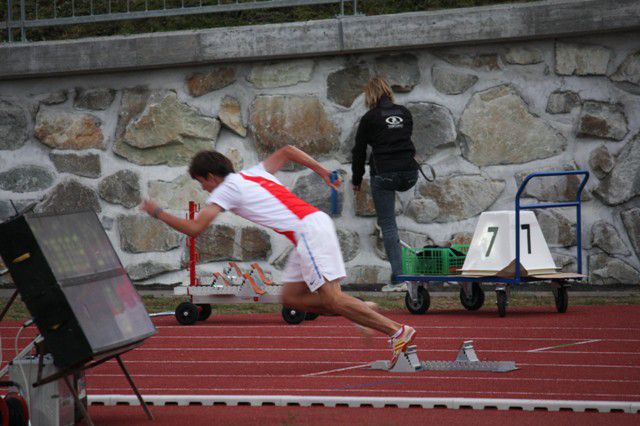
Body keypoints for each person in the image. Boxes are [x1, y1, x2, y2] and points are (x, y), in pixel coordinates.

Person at [141, 146, 417, 367]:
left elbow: (195, 228)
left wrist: (157, 212)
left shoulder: (226, 188)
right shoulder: (253, 173)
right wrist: (322, 171)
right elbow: (287, 151)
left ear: (211, 177)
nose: (204, 190)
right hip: (306, 232)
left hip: (307, 230)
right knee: (292, 298)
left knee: (331, 298)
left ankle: (396, 330)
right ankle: (357, 308)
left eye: (202, 184)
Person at [352, 77, 419, 292]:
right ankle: (404, 274)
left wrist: (356, 180)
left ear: (369, 95)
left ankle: (399, 278)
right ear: (388, 92)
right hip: (410, 174)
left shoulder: (370, 118)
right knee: (391, 216)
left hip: (386, 175)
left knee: (389, 224)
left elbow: (359, 151)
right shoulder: (404, 113)